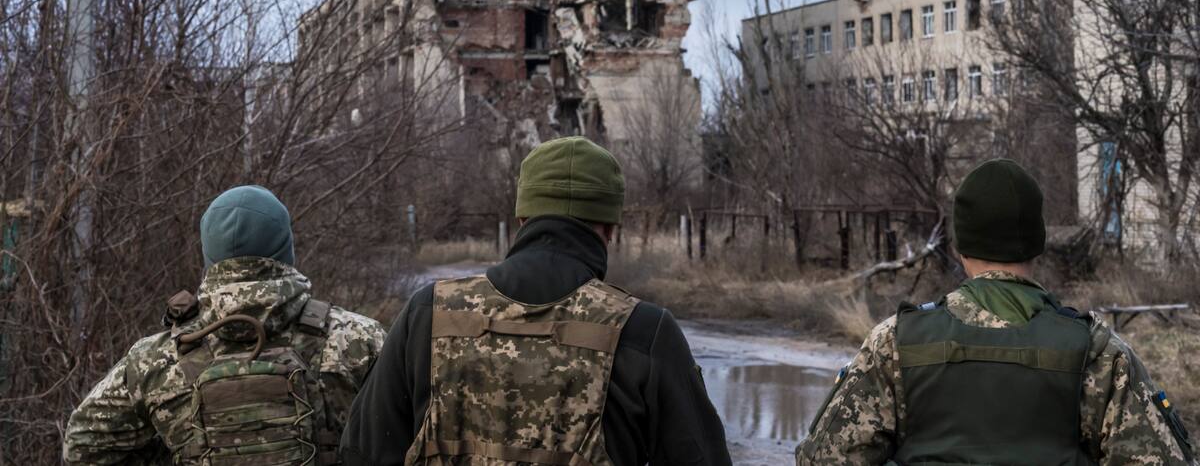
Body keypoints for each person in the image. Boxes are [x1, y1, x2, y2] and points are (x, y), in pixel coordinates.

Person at [341, 136, 731, 466]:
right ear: (611, 229)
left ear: (522, 218)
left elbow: (363, 452)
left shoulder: (428, 313)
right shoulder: (644, 330)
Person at [796, 158, 1194, 465]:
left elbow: (823, 458)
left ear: (959, 246)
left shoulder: (894, 345)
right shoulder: (1099, 354)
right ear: (1036, 244)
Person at [64, 185, 387, 465]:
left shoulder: (153, 359)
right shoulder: (357, 338)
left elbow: (83, 447)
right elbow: (415, 434)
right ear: (285, 246)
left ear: (209, 253)